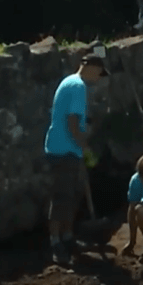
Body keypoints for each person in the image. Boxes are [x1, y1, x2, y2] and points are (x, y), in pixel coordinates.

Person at [44, 49, 108, 265]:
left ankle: (68, 237)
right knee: (61, 197)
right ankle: (56, 243)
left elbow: (75, 119)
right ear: (94, 69)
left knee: (72, 195)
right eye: (100, 74)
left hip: (67, 149)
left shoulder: (70, 82)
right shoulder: (78, 87)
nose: (99, 79)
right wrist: (86, 147)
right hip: (63, 150)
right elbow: (72, 123)